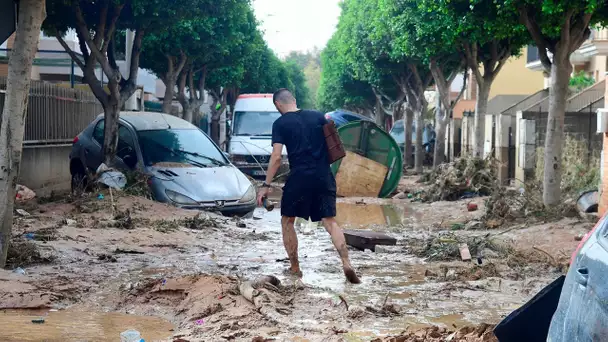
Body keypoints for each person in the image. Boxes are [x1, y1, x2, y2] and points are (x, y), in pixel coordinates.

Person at [256, 89, 361, 284]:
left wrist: (266, 185)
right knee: (330, 222)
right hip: (323, 175)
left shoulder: (280, 123)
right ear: (294, 100)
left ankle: (295, 268)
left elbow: (277, 157)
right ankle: (346, 263)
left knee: (288, 221)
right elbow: (334, 145)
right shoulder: (318, 116)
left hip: (299, 177)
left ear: (278, 105)